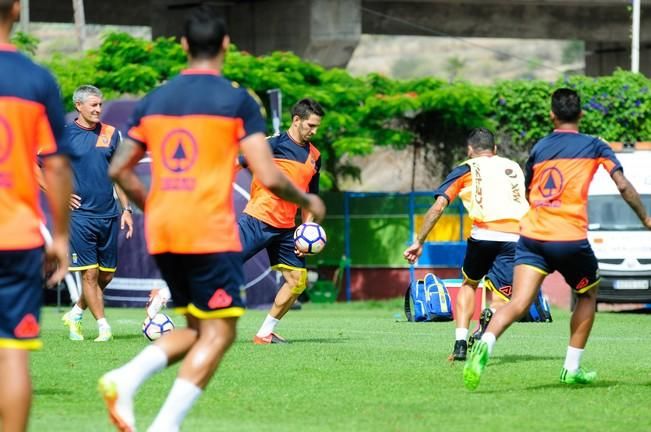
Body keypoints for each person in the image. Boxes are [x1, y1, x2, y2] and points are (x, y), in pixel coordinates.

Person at [99, 5, 325, 432]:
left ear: (183, 45)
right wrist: (309, 203)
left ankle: (134, 388)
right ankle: (149, 405)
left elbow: (118, 169)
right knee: (219, 333)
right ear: (225, 46)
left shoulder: (155, 99)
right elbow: (270, 176)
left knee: (200, 326)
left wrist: (153, 205)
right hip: (208, 229)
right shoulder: (237, 101)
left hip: (163, 230)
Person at [463, 88, 651, 390]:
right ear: (581, 114)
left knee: (518, 303)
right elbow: (623, 185)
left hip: (532, 236)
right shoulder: (595, 145)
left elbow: (527, 190)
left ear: (552, 115)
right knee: (588, 295)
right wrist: (646, 218)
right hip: (568, 238)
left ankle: (484, 344)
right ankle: (571, 369)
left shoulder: (539, 147)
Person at [0, 1, 74, 430]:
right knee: (13, 356)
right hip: (17, 239)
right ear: (15, 8)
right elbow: (57, 165)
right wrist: (61, 237)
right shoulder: (37, 79)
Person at [404, 127, 528, 361]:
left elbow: (439, 206)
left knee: (469, 284)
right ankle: (488, 318)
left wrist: (418, 241)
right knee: (501, 298)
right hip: (515, 236)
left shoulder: (467, 168)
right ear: (495, 149)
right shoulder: (514, 167)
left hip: (483, 235)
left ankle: (460, 344)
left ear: (470, 150)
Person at [237, 98, 324, 345]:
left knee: (298, 282)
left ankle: (265, 332)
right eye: (311, 125)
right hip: (257, 219)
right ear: (296, 120)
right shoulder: (270, 145)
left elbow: (310, 199)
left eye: (317, 126)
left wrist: (306, 230)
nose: (314, 131)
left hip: (287, 229)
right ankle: (167, 295)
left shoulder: (315, 157)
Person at [60, 85, 134, 342]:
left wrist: (126, 209)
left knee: (107, 275)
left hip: (109, 215)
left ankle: (76, 312)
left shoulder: (112, 134)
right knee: (89, 274)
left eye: (100, 105)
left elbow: (120, 174)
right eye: (93, 105)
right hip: (80, 217)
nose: (98, 109)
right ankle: (103, 326)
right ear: (78, 106)